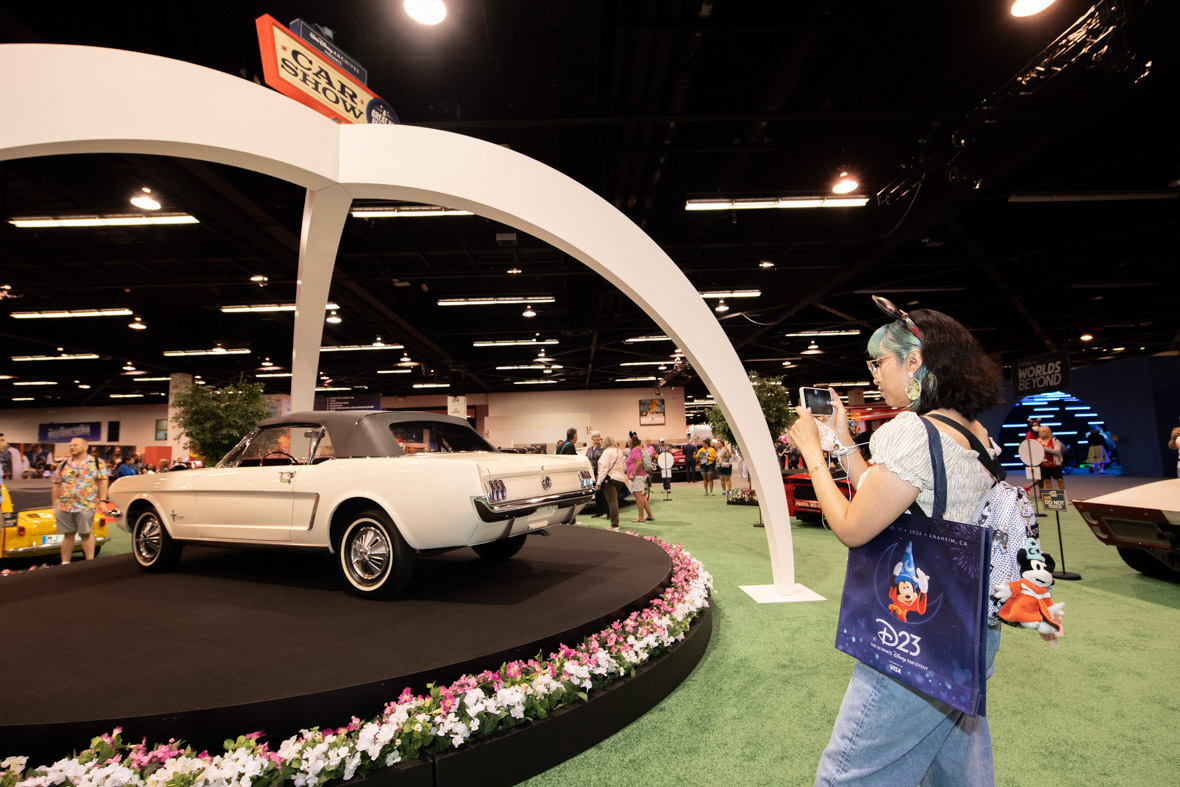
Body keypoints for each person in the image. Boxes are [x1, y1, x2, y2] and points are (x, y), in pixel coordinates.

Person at [787, 299, 1005, 785]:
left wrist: (813, 455)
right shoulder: (972, 430)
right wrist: (843, 441)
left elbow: (852, 527)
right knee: (953, 769)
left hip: (913, 634)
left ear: (914, 361)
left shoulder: (911, 429)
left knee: (846, 774)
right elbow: (891, 498)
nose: (874, 375)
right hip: (966, 629)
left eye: (878, 362)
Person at [51, 437, 110, 564]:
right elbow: (56, 484)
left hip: (86, 505)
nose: (71, 447)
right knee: (68, 534)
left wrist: (102, 500)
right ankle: (65, 563)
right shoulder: (63, 464)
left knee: (86, 533)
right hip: (64, 506)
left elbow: (103, 481)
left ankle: (89, 562)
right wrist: (55, 504)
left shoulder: (97, 462)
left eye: (75, 445)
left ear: (84, 447)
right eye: (70, 445)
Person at [594, 436, 628, 531]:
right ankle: (615, 522)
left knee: (612, 503)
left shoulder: (606, 452)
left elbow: (604, 468)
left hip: (610, 480)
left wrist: (599, 481)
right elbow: (623, 467)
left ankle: (614, 524)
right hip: (620, 479)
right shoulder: (620, 451)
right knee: (615, 501)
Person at [626, 435, 654, 523]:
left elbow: (639, 462)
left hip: (637, 476)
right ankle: (650, 515)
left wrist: (633, 474)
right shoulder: (641, 449)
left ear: (632, 442)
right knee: (641, 495)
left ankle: (641, 517)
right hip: (641, 474)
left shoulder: (635, 450)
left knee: (638, 496)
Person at [1036, 425, 1066, 493]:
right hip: (1043, 465)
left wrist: (1045, 449)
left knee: (1059, 480)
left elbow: (1057, 451)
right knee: (1047, 480)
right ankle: (1051, 497)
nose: (1041, 433)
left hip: (1054, 464)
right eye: (1040, 431)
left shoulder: (1054, 440)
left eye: (1043, 431)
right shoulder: (1037, 441)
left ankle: (1064, 497)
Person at [586, 432, 606, 517]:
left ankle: (604, 511)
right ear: (592, 438)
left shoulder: (602, 448)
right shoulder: (589, 449)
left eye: (599, 436)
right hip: (592, 472)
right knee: (596, 492)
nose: (597, 438)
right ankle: (598, 511)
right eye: (595, 436)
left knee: (602, 492)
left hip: (600, 472)